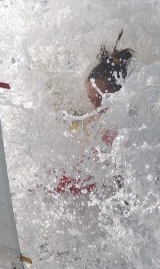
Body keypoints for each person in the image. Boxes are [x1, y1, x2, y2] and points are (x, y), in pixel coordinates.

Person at [56, 33, 134, 194]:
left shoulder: (128, 128)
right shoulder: (113, 125)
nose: (97, 106)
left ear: (120, 91)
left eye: (102, 97)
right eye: (92, 100)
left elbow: (87, 178)